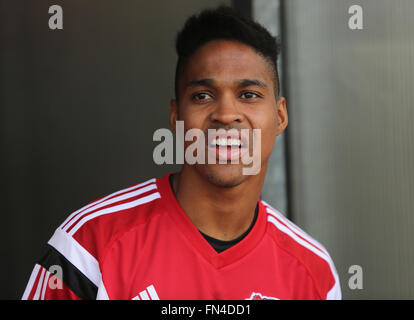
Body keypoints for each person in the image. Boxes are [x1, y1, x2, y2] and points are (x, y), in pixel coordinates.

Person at [22, 6, 341, 300]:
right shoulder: (89, 245)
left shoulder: (314, 273)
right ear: (176, 117)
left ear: (280, 116)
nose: (227, 114)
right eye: (203, 95)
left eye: (248, 94)